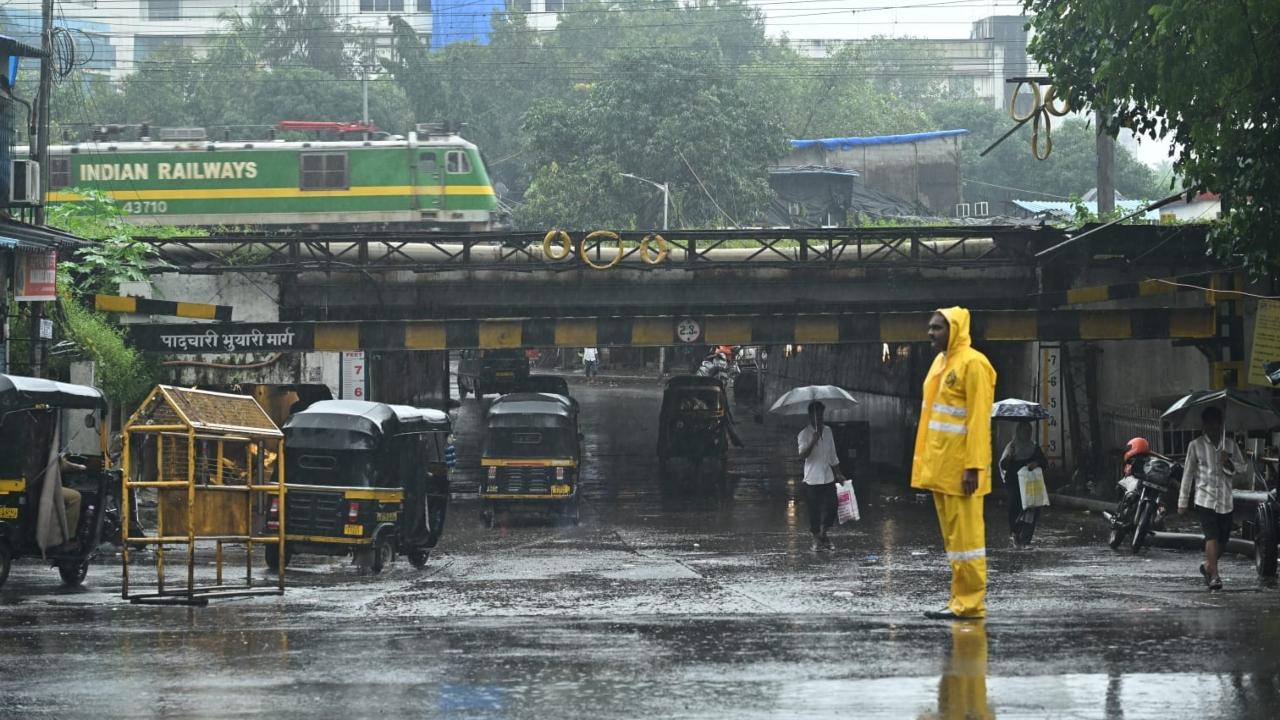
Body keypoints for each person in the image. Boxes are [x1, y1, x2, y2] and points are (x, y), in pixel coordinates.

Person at [913, 307, 997, 620]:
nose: (930, 333)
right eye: (930, 327)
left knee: (968, 542)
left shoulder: (974, 364)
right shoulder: (941, 362)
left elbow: (978, 421)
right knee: (954, 543)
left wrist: (974, 466)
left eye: (937, 327)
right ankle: (959, 600)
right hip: (942, 469)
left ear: (955, 330)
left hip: (963, 472)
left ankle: (971, 603)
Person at [1178, 406, 1245, 591]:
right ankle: (1215, 576)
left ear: (1220, 425)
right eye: (1209, 425)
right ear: (1204, 425)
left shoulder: (1229, 445)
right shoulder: (1195, 445)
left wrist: (1228, 461)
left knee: (1223, 540)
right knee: (1212, 536)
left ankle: (1208, 566)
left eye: (1216, 425)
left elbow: (1242, 468)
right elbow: (1188, 474)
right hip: (1205, 498)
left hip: (1225, 500)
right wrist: (1182, 501)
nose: (1212, 428)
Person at [797, 400, 847, 552]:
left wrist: (838, 473)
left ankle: (824, 533)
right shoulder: (804, 434)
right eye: (816, 415)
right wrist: (813, 440)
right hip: (812, 479)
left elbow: (832, 455)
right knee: (814, 510)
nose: (819, 418)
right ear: (810, 416)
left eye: (821, 415)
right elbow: (802, 455)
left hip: (828, 477)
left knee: (833, 506)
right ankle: (815, 537)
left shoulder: (828, 431)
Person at [999, 422, 1048, 548]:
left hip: (1030, 484)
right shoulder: (1012, 446)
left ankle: (1026, 540)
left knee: (1031, 509)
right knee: (1014, 508)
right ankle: (1015, 534)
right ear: (1018, 432)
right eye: (1024, 430)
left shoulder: (1034, 447)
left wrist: (1036, 463)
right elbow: (1003, 465)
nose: (1027, 433)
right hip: (1014, 484)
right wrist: (1010, 457)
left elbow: (1044, 462)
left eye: (1029, 431)